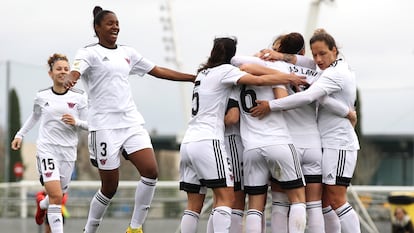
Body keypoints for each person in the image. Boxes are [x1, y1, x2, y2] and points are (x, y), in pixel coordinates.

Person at [62, 6, 196, 233]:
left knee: (151, 171)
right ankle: (89, 230)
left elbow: (158, 70)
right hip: (104, 127)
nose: (115, 27)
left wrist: (193, 77)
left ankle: (135, 228)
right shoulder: (88, 53)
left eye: (117, 23)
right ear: (97, 28)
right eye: (109, 23)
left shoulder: (128, 53)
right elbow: (76, 71)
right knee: (109, 187)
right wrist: (71, 78)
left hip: (131, 122)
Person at [179, 36, 307, 233]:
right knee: (229, 199)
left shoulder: (203, 74)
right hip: (233, 141)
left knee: (196, 206)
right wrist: (288, 78)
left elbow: (246, 67)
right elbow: (259, 90)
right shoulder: (230, 74)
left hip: (199, 141)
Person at [250, 29, 361, 233]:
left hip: (337, 143)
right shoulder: (322, 69)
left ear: (334, 50)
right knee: (321, 203)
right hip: (318, 144)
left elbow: (309, 97)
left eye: (322, 54)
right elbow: (313, 79)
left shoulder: (334, 74)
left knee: (332, 201)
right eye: (314, 54)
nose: (317, 59)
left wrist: (271, 105)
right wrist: (347, 112)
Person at [11, 53, 88, 233]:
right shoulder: (42, 95)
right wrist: (20, 134)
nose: (63, 72)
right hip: (47, 149)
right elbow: (35, 116)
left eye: (66, 69)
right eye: (59, 69)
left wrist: (76, 122)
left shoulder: (79, 97)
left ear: (70, 73)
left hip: (68, 152)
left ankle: (41, 203)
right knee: (56, 195)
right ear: (51, 74)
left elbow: (90, 124)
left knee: (57, 197)